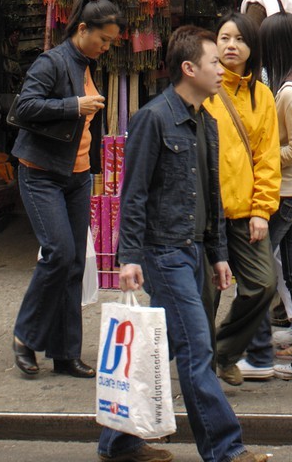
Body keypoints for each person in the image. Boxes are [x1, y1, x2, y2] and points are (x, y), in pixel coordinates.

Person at [97, 26, 269, 462]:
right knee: (197, 347)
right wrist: (129, 257)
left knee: (163, 345)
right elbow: (133, 193)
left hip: (193, 251)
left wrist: (218, 255)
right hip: (163, 251)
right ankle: (226, 449)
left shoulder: (206, 119)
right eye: (214, 62)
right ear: (189, 68)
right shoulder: (153, 118)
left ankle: (117, 441)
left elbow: (210, 194)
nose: (222, 68)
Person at [11, 0, 122, 381]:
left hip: (77, 176)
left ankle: (65, 353)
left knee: (74, 263)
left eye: (111, 42)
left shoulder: (87, 63)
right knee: (58, 253)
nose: (106, 47)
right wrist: (73, 105)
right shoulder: (52, 61)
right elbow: (25, 106)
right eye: (103, 39)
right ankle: (25, 336)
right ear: (82, 28)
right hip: (41, 172)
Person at [239, 12, 292, 383]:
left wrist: (263, 155)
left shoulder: (288, 91)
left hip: (290, 194)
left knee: (256, 274)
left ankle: (258, 356)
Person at [201, 11, 281, 386]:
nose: (231, 45)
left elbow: (268, 157)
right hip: (205, 214)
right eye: (224, 38)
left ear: (252, 48)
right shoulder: (202, 88)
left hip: (245, 211)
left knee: (263, 285)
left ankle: (225, 351)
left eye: (240, 39)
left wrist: (262, 210)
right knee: (205, 295)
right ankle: (200, 373)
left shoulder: (262, 96)